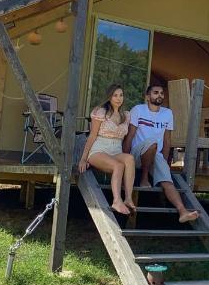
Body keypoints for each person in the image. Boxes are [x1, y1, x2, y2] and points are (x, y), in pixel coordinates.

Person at [123, 83, 199, 224]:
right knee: (152, 143)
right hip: (137, 155)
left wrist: (164, 162)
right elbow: (130, 136)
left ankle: (182, 212)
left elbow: (167, 140)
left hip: (155, 154)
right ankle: (144, 178)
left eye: (162, 93)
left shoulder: (167, 113)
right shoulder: (138, 110)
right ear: (147, 96)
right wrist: (123, 158)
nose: (159, 95)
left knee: (167, 181)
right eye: (155, 92)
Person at [78, 83, 136, 216]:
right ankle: (116, 200)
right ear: (109, 96)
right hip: (99, 150)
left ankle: (128, 198)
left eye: (121, 95)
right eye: (115, 95)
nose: (118, 98)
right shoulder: (101, 112)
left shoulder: (126, 115)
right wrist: (83, 158)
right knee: (118, 165)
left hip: (116, 150)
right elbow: (92, 136)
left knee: (130, 158)